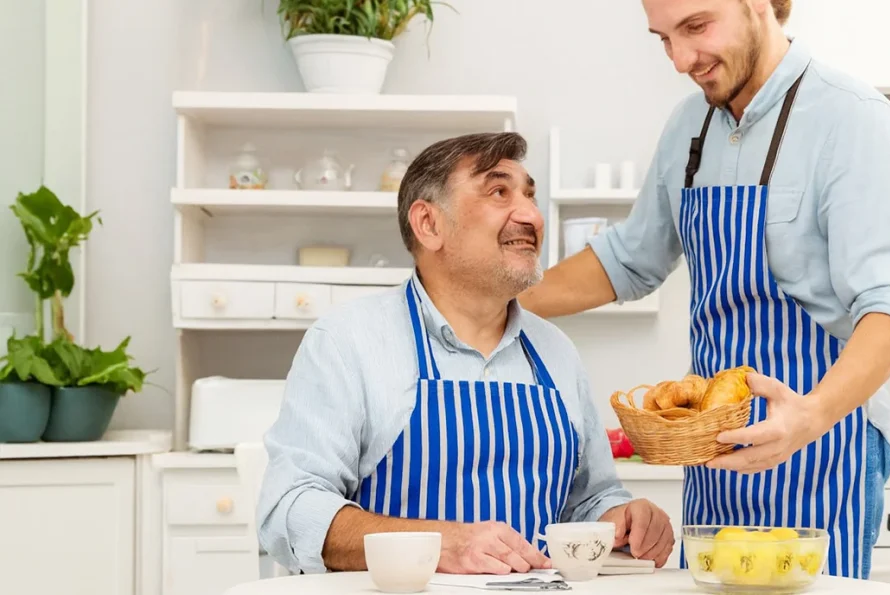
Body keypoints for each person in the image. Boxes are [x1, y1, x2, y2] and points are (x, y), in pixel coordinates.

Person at [517, 0, 890, 579]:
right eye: (663, 38)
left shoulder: (854, 120)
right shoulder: (691, 126)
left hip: (823, 445)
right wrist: (498, 302)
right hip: (715, 454)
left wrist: (808, 417)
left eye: (696, 27)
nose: (682, 59)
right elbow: (628, 259)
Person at [257, 132, 676, 576]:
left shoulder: (556, 352)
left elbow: (588, 500)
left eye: (530, 196)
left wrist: (620, 521)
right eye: (499, 191)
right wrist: (437, 545)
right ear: (429, 225)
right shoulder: (347, 343)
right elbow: (290, 508)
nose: (531, 215)